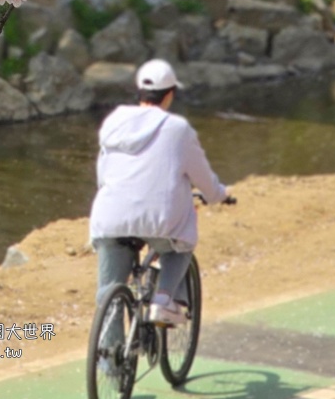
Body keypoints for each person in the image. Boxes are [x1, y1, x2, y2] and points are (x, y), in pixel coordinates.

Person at [90, 59, 230, 328]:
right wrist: (218, 194)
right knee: (181, 243)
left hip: (109, 217)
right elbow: (202, 179)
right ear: (170, 94)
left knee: (109, 293)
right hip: (160, 222)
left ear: (139, 94)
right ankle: (164, 299)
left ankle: (110, 361)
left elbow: (103, 173)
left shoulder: (114, 122)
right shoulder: (178, 129)